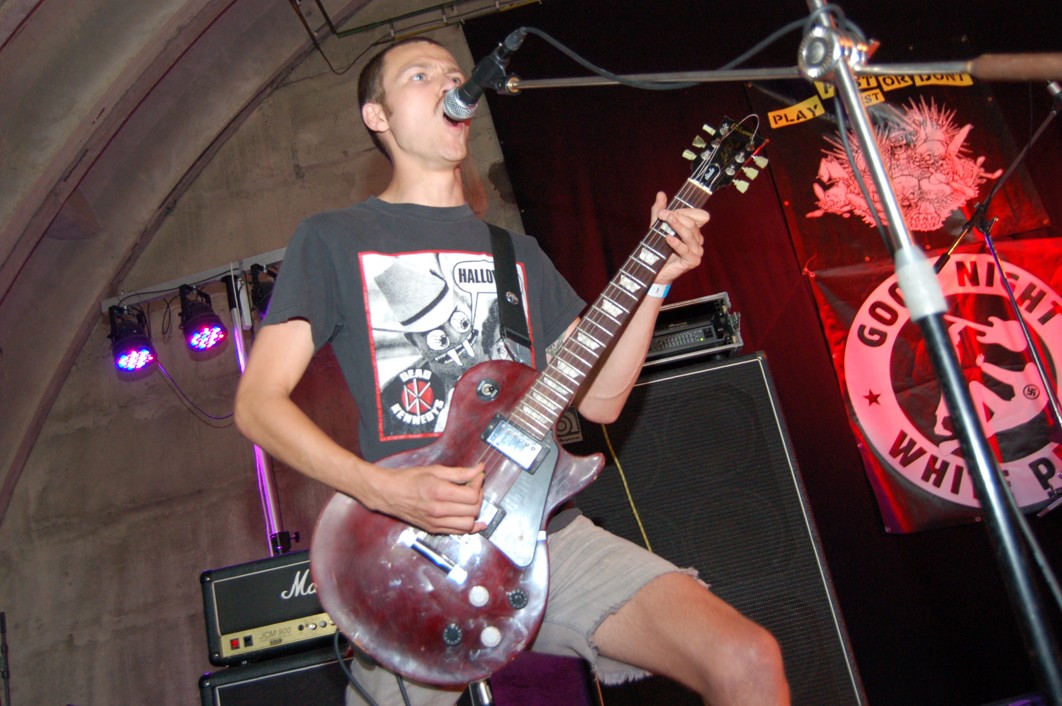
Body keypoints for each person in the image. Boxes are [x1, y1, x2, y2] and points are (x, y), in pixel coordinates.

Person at [234, 35, 789, 706]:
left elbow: (601, 402)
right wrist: (382, 489)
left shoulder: (515, 254)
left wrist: (655, 283)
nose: (450, 84)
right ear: (377, 116)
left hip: (543, 536)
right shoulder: (333, 238)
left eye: (455, 74)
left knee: (745, 658)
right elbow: (258, 404)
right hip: (408, 550)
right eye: (420, 76)